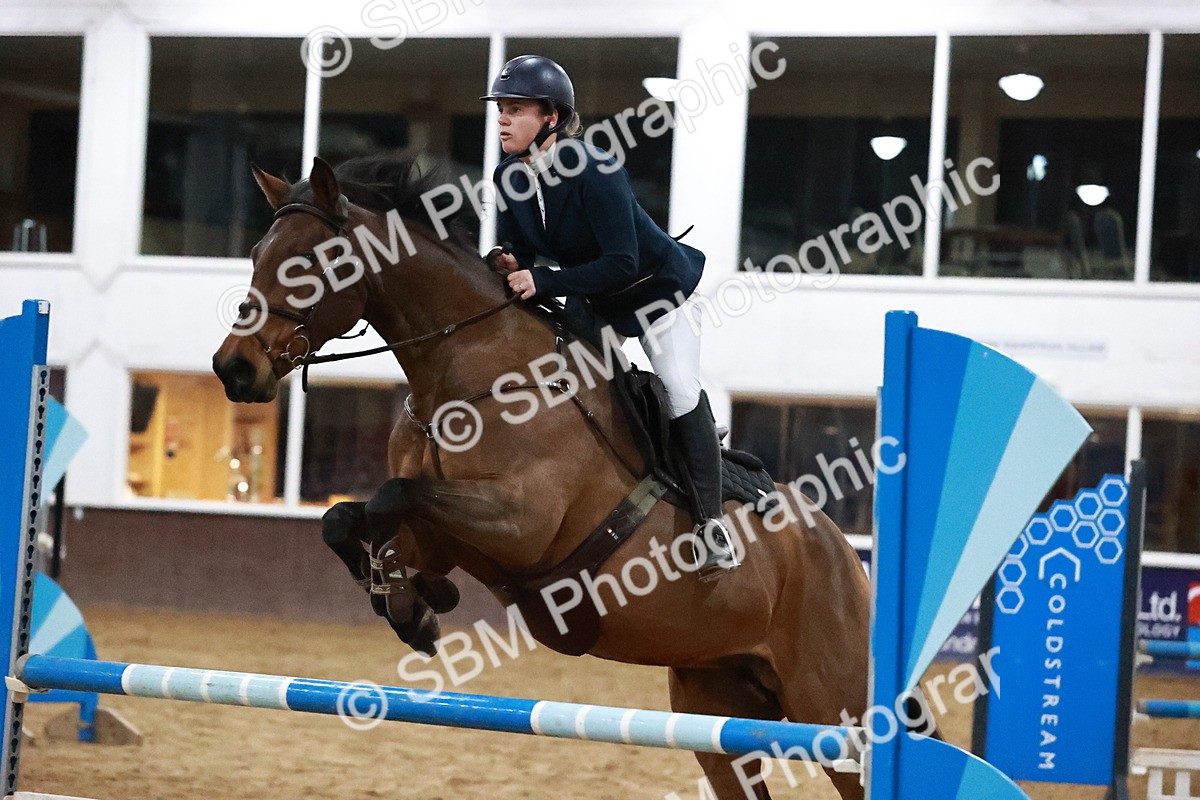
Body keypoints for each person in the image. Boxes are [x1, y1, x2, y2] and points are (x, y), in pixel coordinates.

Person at [480, 54, 739, 581]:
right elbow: (525, 254)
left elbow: (620, 260)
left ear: (550, 118)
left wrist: (545, 281)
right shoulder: (508, 174)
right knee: (577, 383)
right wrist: (512, 263)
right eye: (501, 109)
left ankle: (713, 526)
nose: (503, 120)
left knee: (679, 389)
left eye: (516, 109)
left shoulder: (594, 167)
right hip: (592, 297)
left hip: (650, 290)